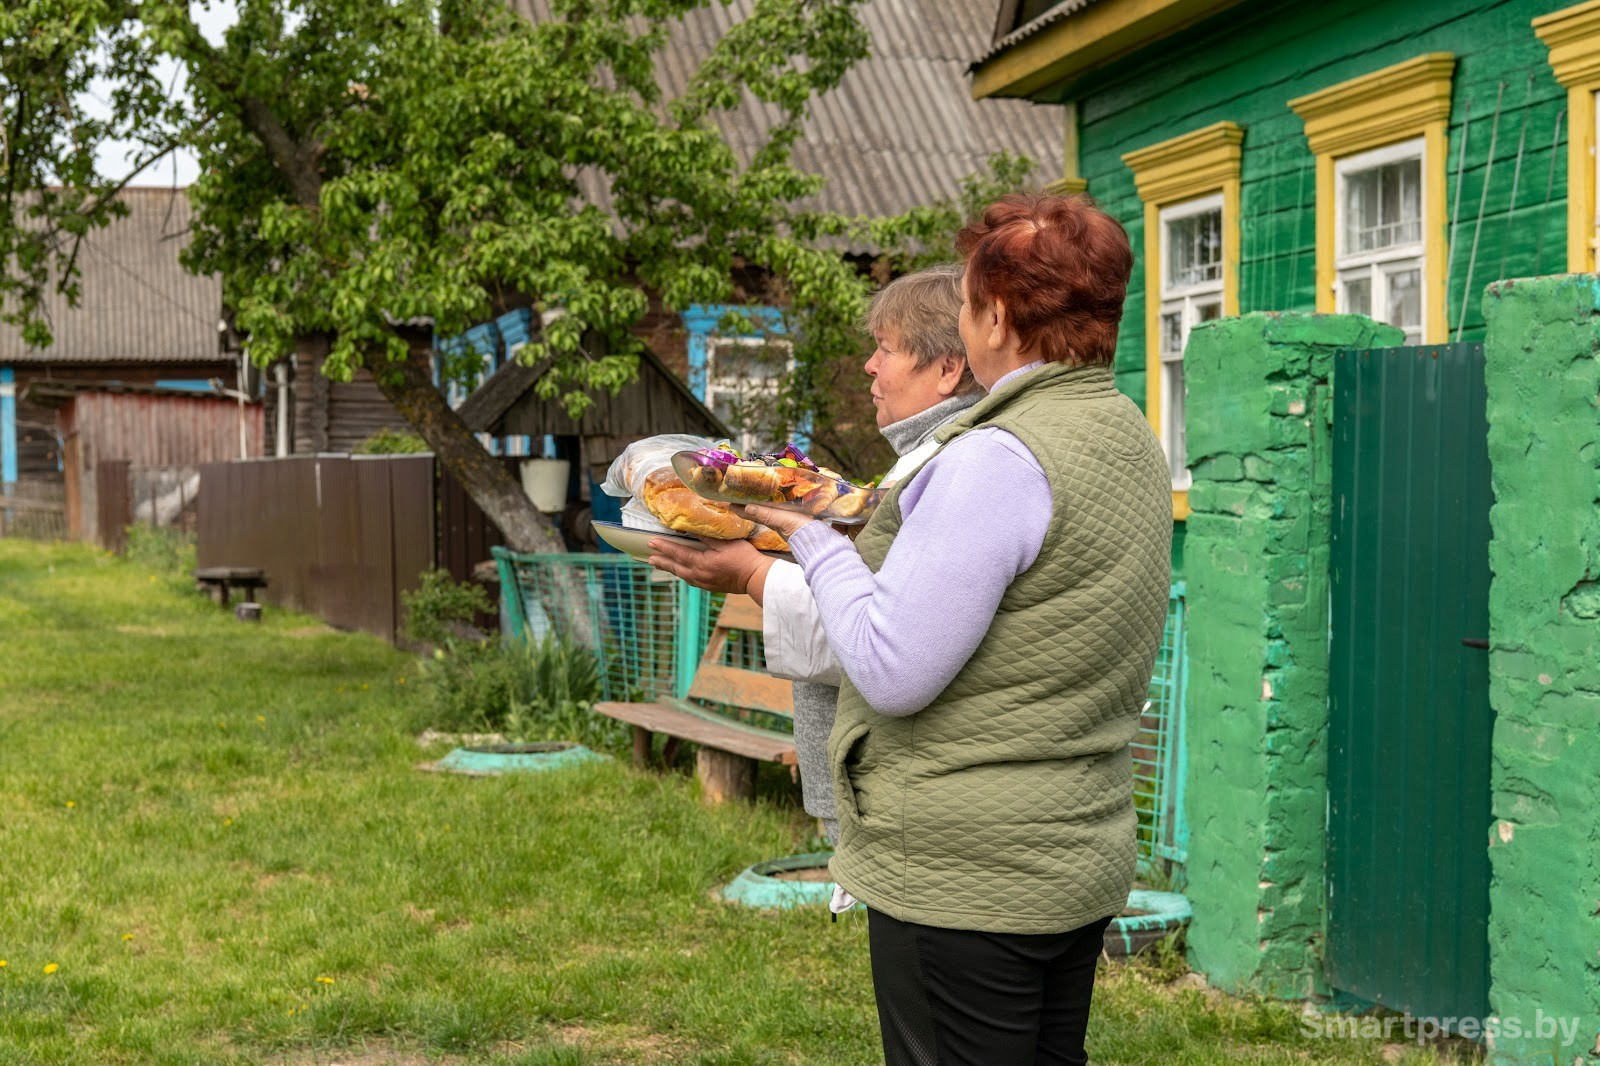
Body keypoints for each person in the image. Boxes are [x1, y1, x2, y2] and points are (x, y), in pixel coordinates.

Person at [665, 193, 1172, 1065]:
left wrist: (808, 539)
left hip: (965, 873)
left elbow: (894, 668)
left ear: (999, 319)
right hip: (1070, 847)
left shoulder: (996, 458)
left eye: (970, 303)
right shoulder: (1122, 430)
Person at [648, 263, 984, 846]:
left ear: (948, 369)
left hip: (919, 813)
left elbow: (882, 640)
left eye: (885, 349)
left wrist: (752, 574)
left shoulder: (956, 466)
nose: (869, 366)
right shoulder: (929, 458)